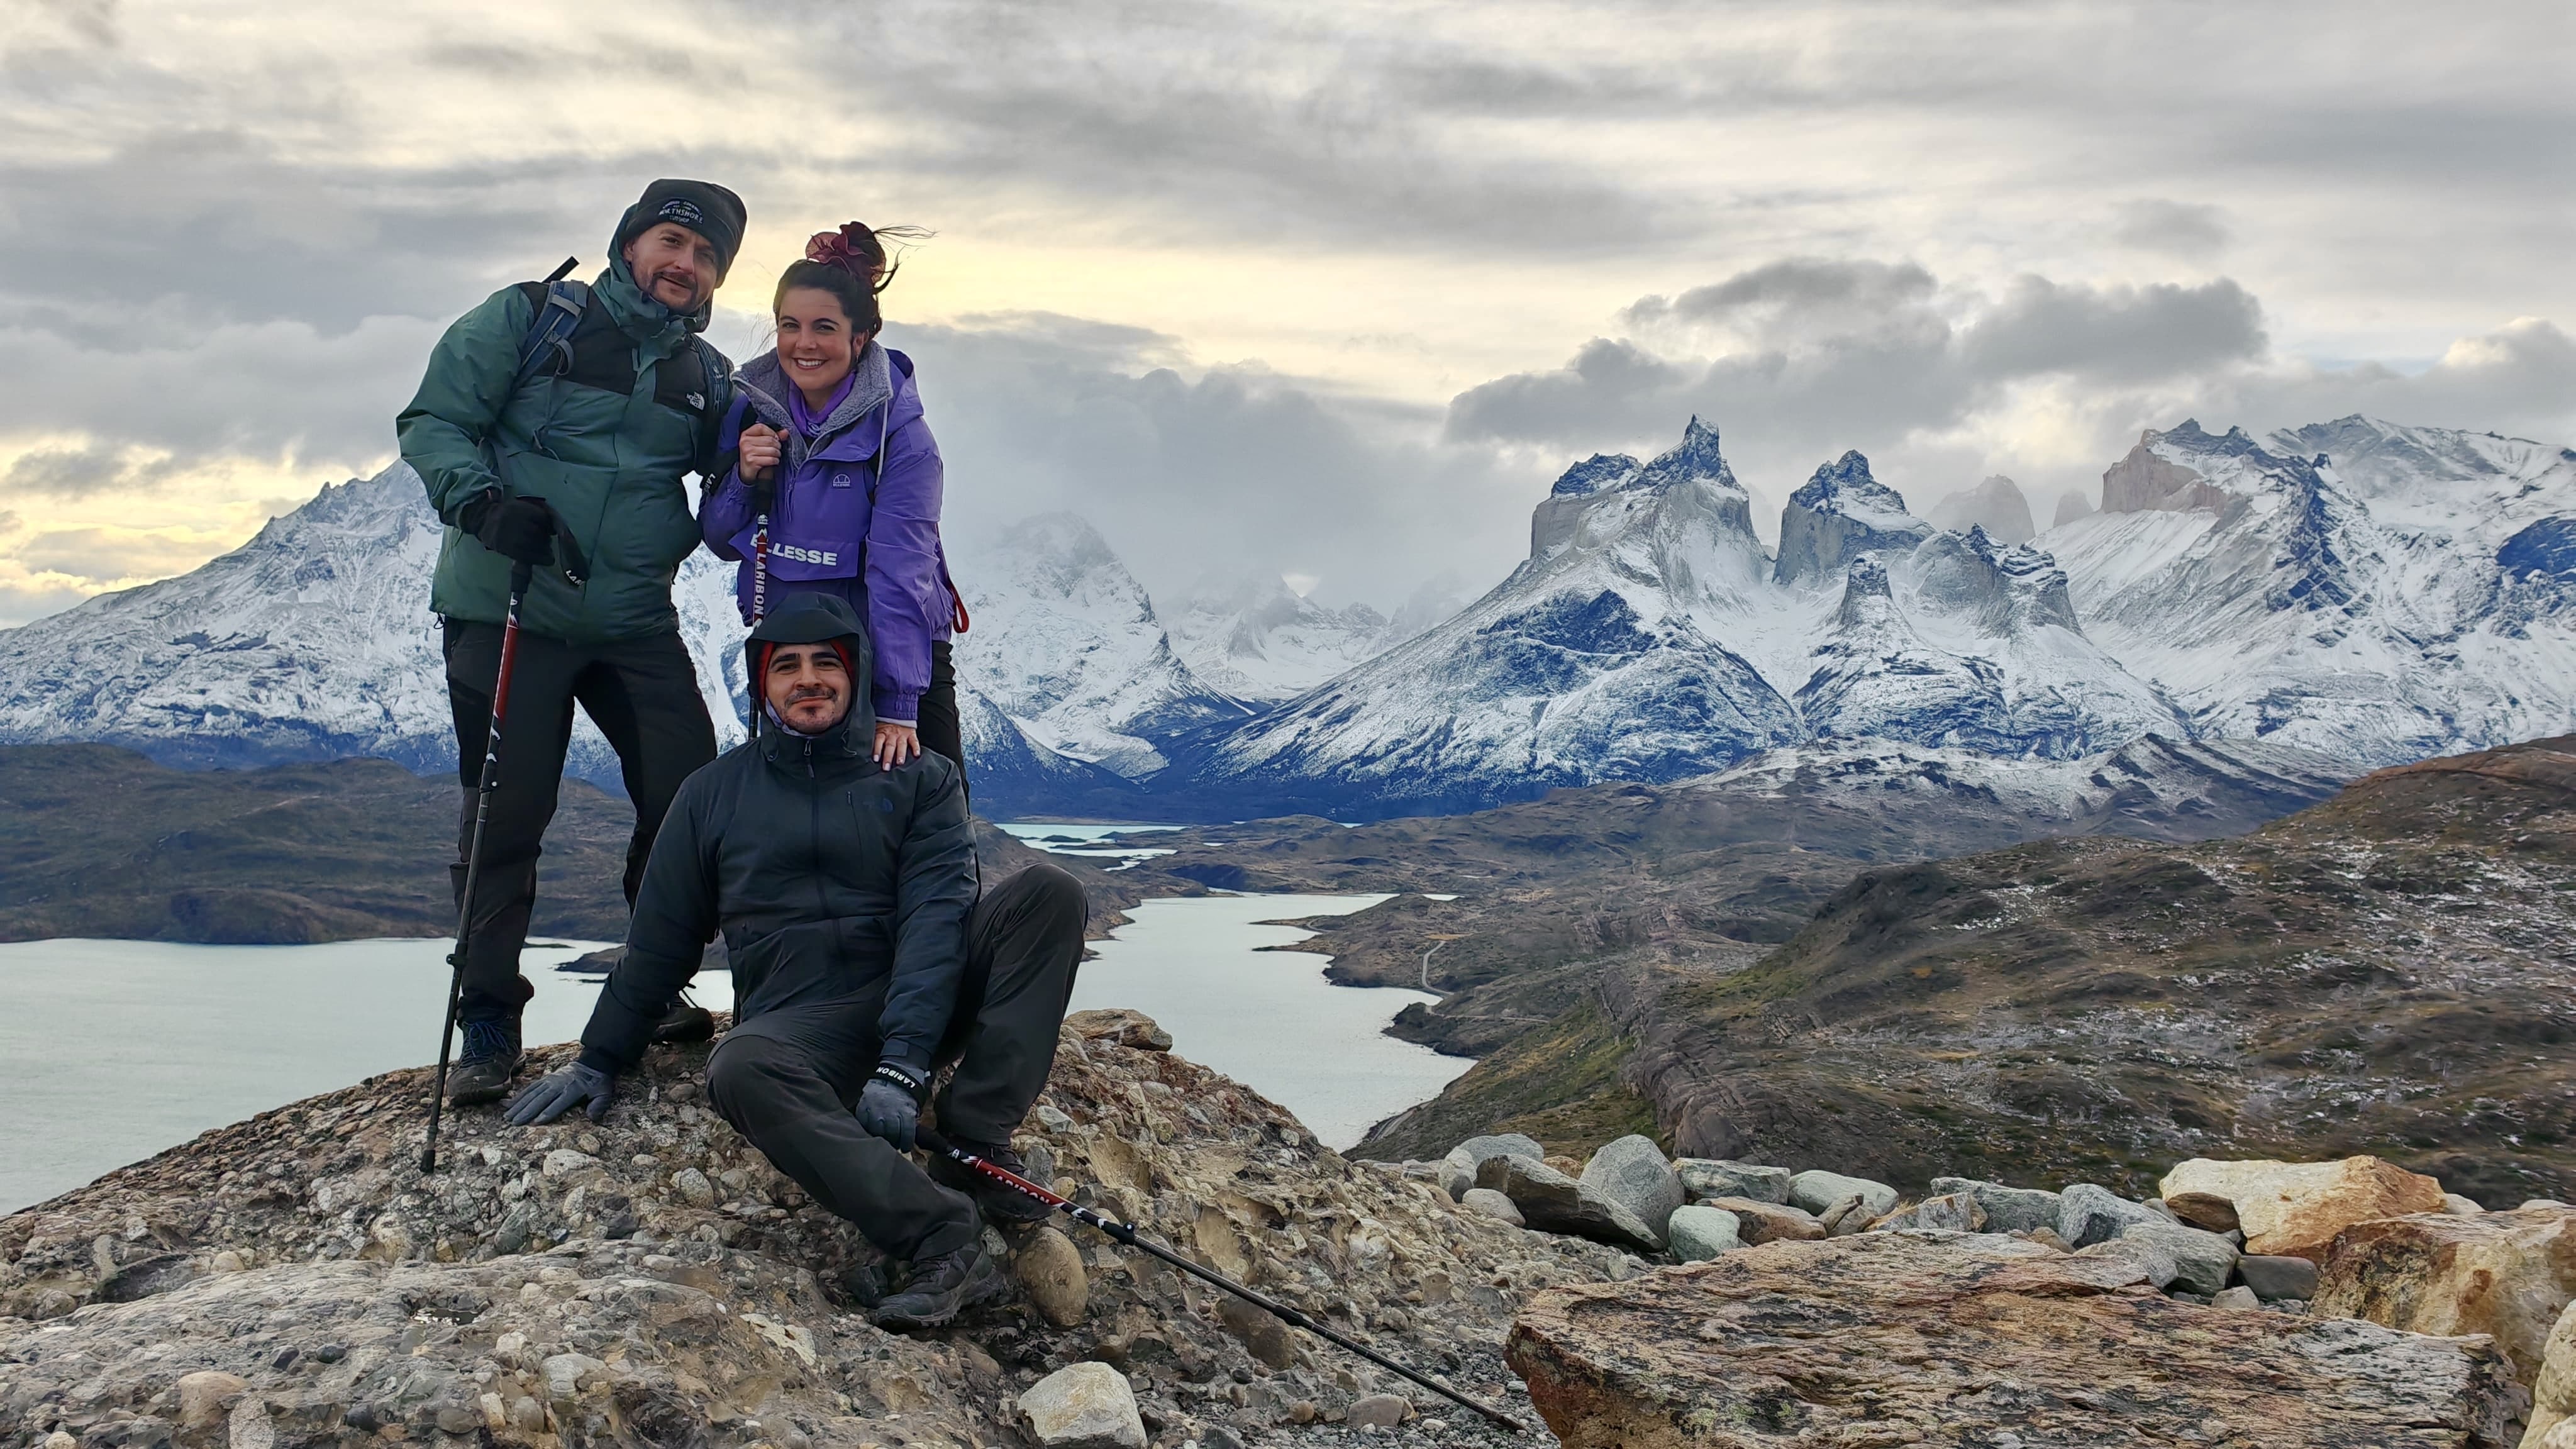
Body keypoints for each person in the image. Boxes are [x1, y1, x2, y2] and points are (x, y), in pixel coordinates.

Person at [503, 593, 1089, 1330]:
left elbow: (938, 918)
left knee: (1049, 894)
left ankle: (971, 1141)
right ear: (763, 683)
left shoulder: (918, 775)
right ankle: (942, 1234)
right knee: (739, 1067)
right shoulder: (712, 794)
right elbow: (659, 942)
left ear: (856, 674)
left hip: (924, 1000)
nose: (808, 679)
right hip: (806, 1026)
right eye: (787, 667)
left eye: (826, 664)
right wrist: (597, 1057)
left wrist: (907, 1061)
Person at [396, 179, 747, 1105]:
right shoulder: (529, 318)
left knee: (688, 796)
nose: (687, 263)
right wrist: (481, 502)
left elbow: (755, 458)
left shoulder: (706, 376)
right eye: (673, 241)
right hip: (509, 605)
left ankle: (653, 979)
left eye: (708, 255)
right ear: (630, 244)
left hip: (632, 618)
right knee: (507, 815)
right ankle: (487, 1016)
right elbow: (433, 421)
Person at [699, 223, 969, 786]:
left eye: (825, 327)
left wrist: (897, 702)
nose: (805, 344)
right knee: (796, 821)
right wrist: (745, 477)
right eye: (789, 326)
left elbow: (902, 568)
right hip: (794, 657)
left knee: (930, 806)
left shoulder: (903, 438)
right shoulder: (751, 410)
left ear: (861, 337)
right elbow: (722, 539)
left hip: (884, 647)